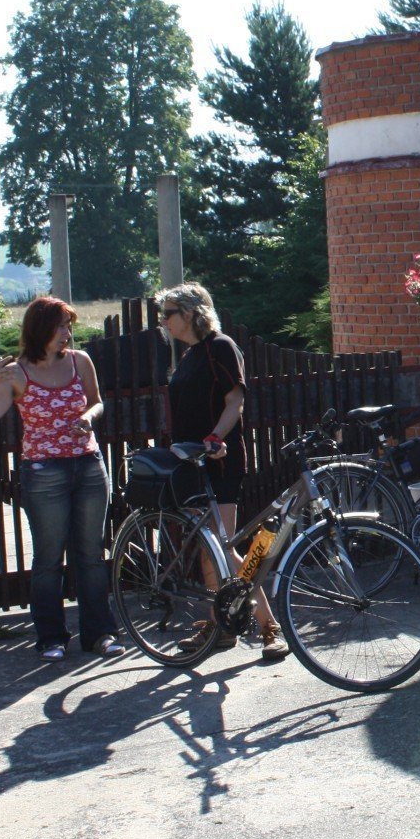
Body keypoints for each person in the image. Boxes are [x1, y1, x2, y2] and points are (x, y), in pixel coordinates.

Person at [0, 296, 122, 661]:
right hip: (43, 472)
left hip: (87, 464)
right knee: (49, 558)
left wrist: (89, 416)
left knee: (90, 555)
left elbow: (98, 401)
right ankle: (51, 637)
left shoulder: (79, 361)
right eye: (60, 327)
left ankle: (100, 633)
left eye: (69, 326)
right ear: (39, 330)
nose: (67, 334)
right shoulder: (17, 373)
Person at [158, 282, 287, 662]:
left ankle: (268, 626)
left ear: (191, 313)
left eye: (168, 313)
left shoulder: (220, 346)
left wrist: (215, 436)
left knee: (224, 547)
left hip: (220, 459)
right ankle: (221, 626)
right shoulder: (189, 355)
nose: (163, 322)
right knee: (208, 549)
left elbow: (235, 402)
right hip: (192, 462)